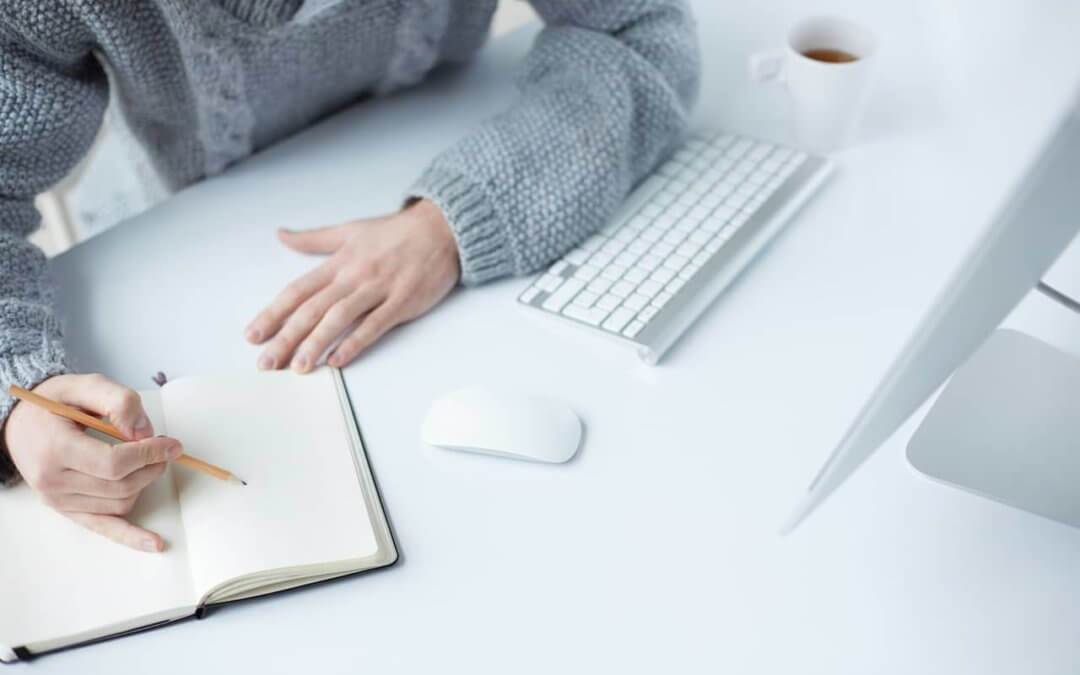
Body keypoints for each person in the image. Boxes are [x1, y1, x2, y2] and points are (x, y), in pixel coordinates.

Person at [0, 0, 700, 550]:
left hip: (445, 153)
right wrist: (18, 401)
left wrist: (452, 223)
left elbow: (642, 28)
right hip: (179, 222)